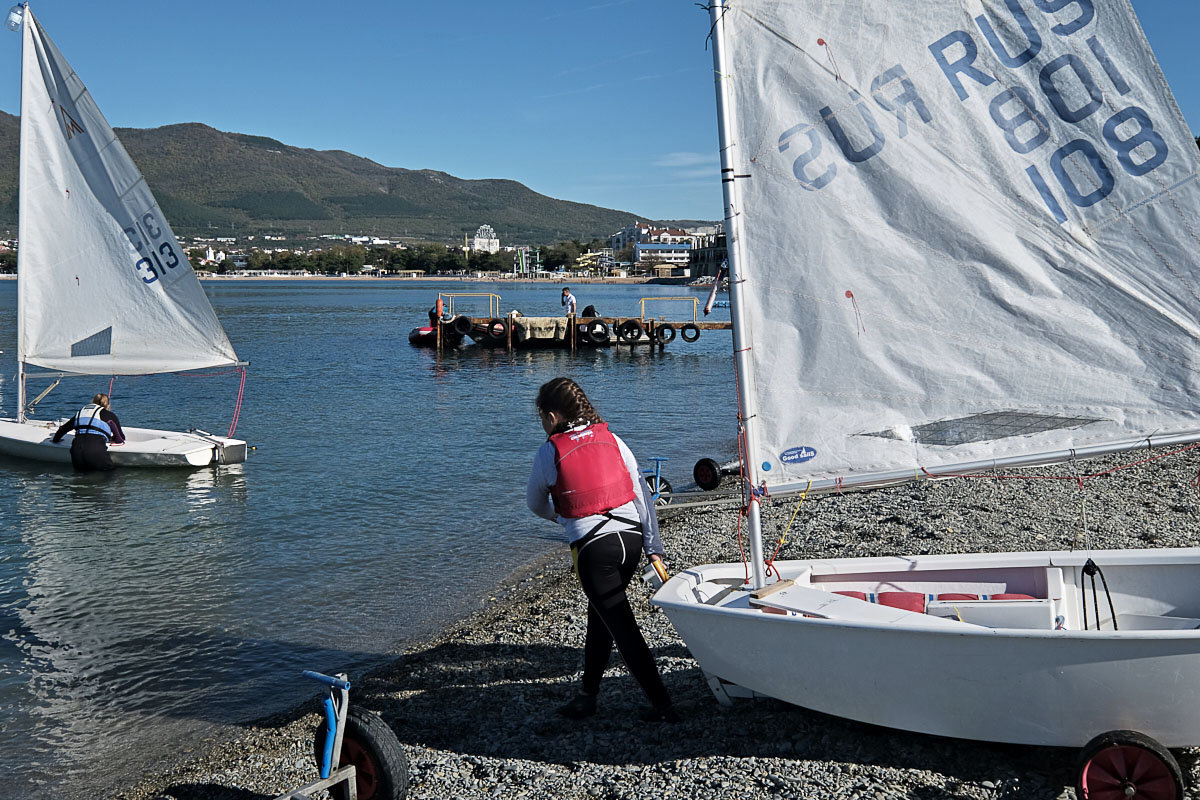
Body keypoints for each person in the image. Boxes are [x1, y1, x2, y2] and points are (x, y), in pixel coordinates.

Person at [525, 377, 679, 722]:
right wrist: (654, 547)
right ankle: (587, 696)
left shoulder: (549, 450)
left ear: (551, 417)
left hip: (594, 550)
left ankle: (664, 706)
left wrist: (562, 519)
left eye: (541, 419)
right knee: (602, 616)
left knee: (623, 628)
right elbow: (642, 496)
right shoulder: (612, 439)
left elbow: (534, 503)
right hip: (632, 542)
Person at [52, 392, 125, 472]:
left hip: (76, 454)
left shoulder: (80, 413)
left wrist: (56, 440)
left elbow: (61, 430)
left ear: (93, 402)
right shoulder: (110, 415)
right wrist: (112, 437)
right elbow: (121, 438)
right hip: (96, 454)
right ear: (108, 405)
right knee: (112, 476)